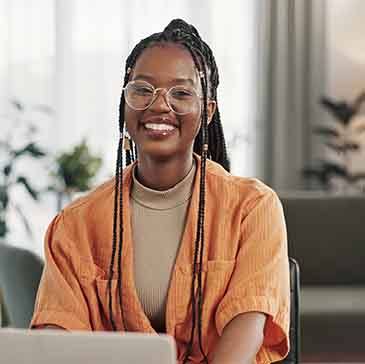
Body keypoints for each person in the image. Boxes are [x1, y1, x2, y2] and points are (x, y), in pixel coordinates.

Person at [31, 19, 290, 364]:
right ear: (125, 103)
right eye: (142, 90)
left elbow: (247, 326)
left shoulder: (253, 208)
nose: (159, 106)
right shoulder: (75, 224)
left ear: (207, 111)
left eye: (181, 93)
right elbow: (57, 334)